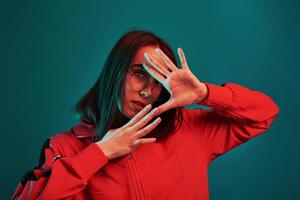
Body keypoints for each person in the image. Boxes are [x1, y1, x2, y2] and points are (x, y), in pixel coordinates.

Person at [12, 30, 279, 200]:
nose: (146, 93)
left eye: (157, 83)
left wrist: (204, 94)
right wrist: (101, 152)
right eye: (139, 74)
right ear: (114, 73)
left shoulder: (189, 130)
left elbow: (265, 113)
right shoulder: (66, 147)